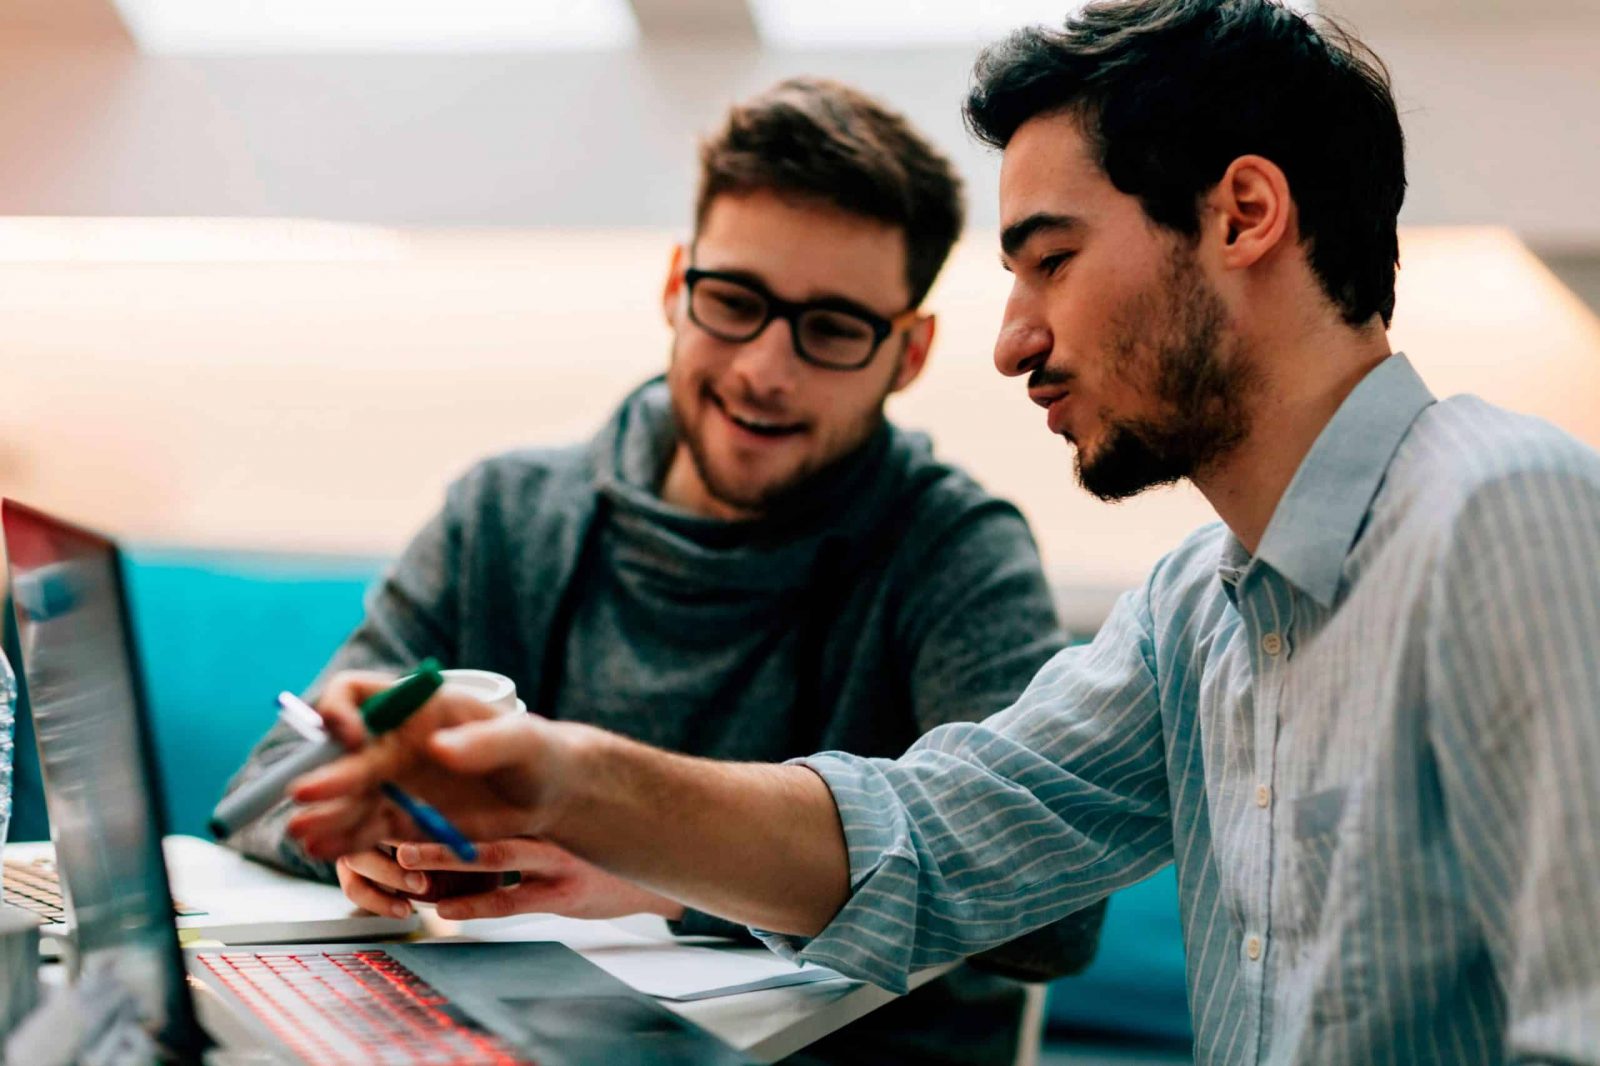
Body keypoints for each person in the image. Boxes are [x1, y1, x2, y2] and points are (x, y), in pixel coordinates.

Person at [283, 2, 1600, 1063]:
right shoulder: (1197, 606)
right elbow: (930, 834)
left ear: (1243, 215)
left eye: (1052, 261)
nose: (1018, 338)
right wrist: (563, 777)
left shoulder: (1504, 514)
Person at [221, 77, 1105, 1065]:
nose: (766, 368)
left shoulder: (954, 552)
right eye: (733, 302)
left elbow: (1051, 911)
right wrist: (366, 837)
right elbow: (268, 782)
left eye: (833, 328)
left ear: (907, 353)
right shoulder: (507, 515)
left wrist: (663, 879)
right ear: (676, 285)